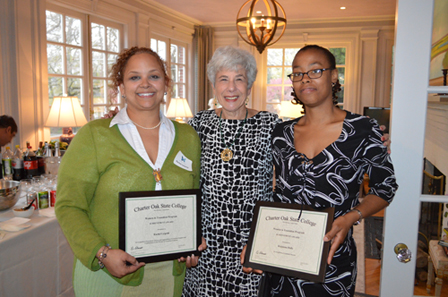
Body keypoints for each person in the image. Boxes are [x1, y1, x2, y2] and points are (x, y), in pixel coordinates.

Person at [242, 44, 398, 297]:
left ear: (334, 76)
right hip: (281, 257)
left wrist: (351, 217)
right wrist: (258, 241)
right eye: (297, 73)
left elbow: (385, 188)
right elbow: (271, 192)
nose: (305, 79)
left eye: (315, 71)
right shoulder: (281, 134)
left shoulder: (362, 129)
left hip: (332, 261)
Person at [55, 46, 203, 297]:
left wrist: (192, 243)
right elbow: (69, 205)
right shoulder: (95, 135)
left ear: (166, 84)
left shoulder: (188, 137)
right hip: (108, 276)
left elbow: (193, 198)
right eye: (135, 77)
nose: (145, 84)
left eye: (154, 76)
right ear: (121, 88)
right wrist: (101, 253)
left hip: (169, 274)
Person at [181, 46, 282, 296]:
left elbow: (304, 160)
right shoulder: (197, 125)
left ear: (249, 86)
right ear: (214, 86)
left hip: (251, 243)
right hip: (205, 243)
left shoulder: (271, 125)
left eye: (239, 79)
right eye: (223, 79)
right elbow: (182, 181)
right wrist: (185, 237)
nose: (231, 88)